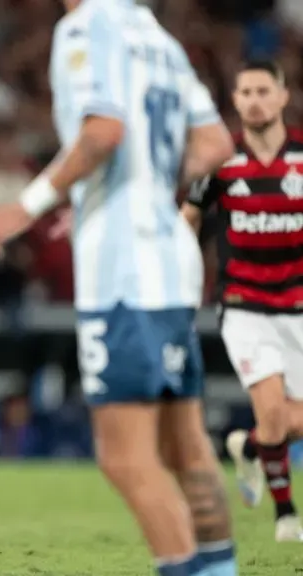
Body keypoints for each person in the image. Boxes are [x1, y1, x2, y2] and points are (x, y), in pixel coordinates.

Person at [0, 1, 238, 575]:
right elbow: (215, 145)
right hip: (172, 260)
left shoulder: (86, 26)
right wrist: (144, 187)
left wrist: (26, 206)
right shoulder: (156, 35)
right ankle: (220, 568)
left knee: (125, 457)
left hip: (124, 269)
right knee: (185, 446)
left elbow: (104, 130)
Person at [181, 60, 303, 543]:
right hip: (244, 303)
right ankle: (286, 516)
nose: (253, 99)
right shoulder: (222, 161)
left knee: (288, 422)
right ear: (234, 101)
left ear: (282, 96)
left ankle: (250, 449)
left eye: (262, 90)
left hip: (298, 304)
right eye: (245, 92)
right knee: (273, 412)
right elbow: (187, 218)